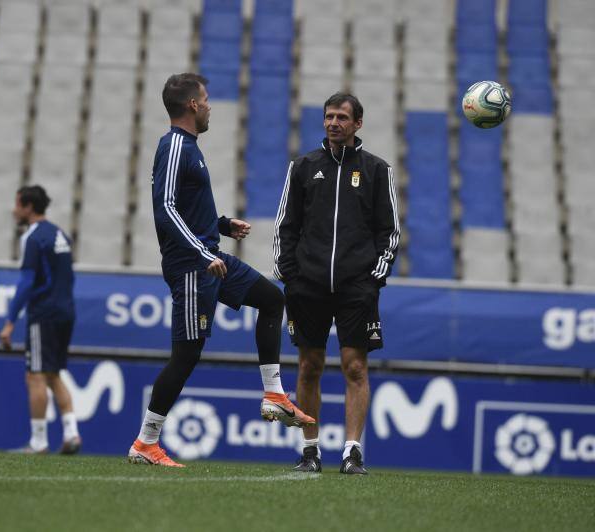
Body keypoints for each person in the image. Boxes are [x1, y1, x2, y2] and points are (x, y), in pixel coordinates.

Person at [127, 73, 315, 468]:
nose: (210, 105)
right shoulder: (175, 145)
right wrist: (200, 250)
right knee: (186, 355)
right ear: (192, 105)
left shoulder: (190, 147)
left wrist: (223, 225)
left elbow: (190, 207)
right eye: (206, 99)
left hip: (209, 255)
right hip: (195, 266)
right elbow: (166, 207)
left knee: (271, 299)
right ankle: (146, 442)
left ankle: (273, 394)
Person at [274, 92, 399, 474]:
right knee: (309, 365)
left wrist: (374, 276)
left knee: (354, 366)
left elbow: (389, 231)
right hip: (307, 285)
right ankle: (310, 452)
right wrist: (289, 274)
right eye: (329, 116)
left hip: (356, 287)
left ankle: (352, 452)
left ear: (357, 123)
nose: (333, 123)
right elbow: (285, 226)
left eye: (342, 117)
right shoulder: (303, 166)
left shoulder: (377, 170)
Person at [0, 186, 81, 456]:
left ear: (28, 207)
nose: (14, 210)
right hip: (66, 310)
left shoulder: (32, 238)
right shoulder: (61, 235)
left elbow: (26, 282)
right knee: (53, 374)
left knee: (34, 375)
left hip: (43, 313)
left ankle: (38, 442)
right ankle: (71, 434)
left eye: (17, 204)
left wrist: (10, 321)